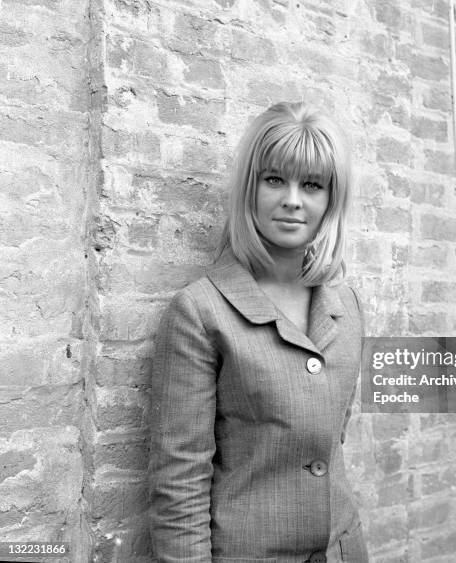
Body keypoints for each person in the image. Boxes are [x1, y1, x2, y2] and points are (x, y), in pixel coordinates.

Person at [148, 102, 368, 563]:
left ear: (331, 199)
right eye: (275, 180)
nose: (293, 199)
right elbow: (179, 482)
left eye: (312, 184)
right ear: (251, 188)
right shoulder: (200, 311)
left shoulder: (346, 306)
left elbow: (334, 440)